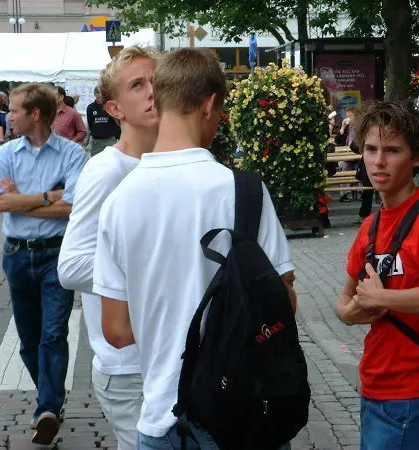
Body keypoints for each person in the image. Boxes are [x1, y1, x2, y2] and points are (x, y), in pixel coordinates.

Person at [92, 48, 297, 450]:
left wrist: (165, 319)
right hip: (242, 417)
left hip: (160, 422)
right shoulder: (244, 191)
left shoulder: (118, 201)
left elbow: (115, 331)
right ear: (209, 105)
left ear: (160, 100)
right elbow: (283, 302)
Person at [334, 99, 419, 450]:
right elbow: (344, 302)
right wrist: (349, 312)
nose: (378, 162)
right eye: (371, 149)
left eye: (392, 151)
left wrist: (381, 298)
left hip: (414, 392)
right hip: (374, 386)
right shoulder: (371, 226)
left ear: (418, 155)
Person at [58, 46, 159, 450]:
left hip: (161, 356)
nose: (152, 92)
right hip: (129, 364)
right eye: (138, 85)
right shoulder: (108, 169)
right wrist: (153, 264)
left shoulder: (163, 161)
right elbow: (72, 266)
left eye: (155, 80)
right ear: (115, 109)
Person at [0, 83, 86, 446]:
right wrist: (50, 195)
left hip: (56, 253)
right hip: (16, 253)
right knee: (29, 341)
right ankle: (50, 396)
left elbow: (74, 207)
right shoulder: (7, 154)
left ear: (36, 114)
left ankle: (47, 406)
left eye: (14, 111)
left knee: (52, 334)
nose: (8, 117)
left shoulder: (73, 155)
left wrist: (21, 199)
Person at [86, 86, 121, 157]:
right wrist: (87, 139)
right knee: (96, 160)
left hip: (109, 140)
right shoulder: (91, 107)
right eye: (98, 97)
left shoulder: (111, 106)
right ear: (95, 95)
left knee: (111, 159)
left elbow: (118, 122)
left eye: (101, 97)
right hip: (96, 141)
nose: (100, 99)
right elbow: (90, 124)